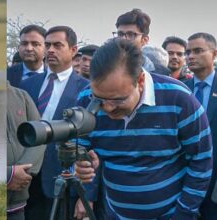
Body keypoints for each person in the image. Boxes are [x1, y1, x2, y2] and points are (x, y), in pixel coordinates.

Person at [77, 38, 212, 219]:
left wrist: (184, 213)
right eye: (99, 100)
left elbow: (200, 160)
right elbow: (78, 147)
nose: (108, 108)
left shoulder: (179, 99)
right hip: (114, 214)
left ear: (140, 81)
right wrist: (81, 165)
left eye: (118, 100)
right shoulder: (86, 98)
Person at [20, 25, 91, 220]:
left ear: (73, 50)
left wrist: (87, 194)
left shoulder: (86, 89)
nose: (51, 50)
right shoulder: (28, 84)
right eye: (48, 45)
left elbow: (92, 141)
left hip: (65, 179)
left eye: (58, 45)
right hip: (26, 176)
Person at [183, 32, 217, 219]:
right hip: (183, 178)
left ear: (214, 54)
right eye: (188, 52)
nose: (190, 56)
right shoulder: (179, 89)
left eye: (198, 51)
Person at [7, 81, 46, 220]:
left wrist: (20, 172)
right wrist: (8, 175)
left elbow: (40, 137)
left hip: (17, 205)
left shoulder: (21, 96)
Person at [113, 8, 171, 76]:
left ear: (144, 40)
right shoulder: (103, 68)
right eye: (120, 34)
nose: (123, 38)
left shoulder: (159, 75)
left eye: (131, 34)